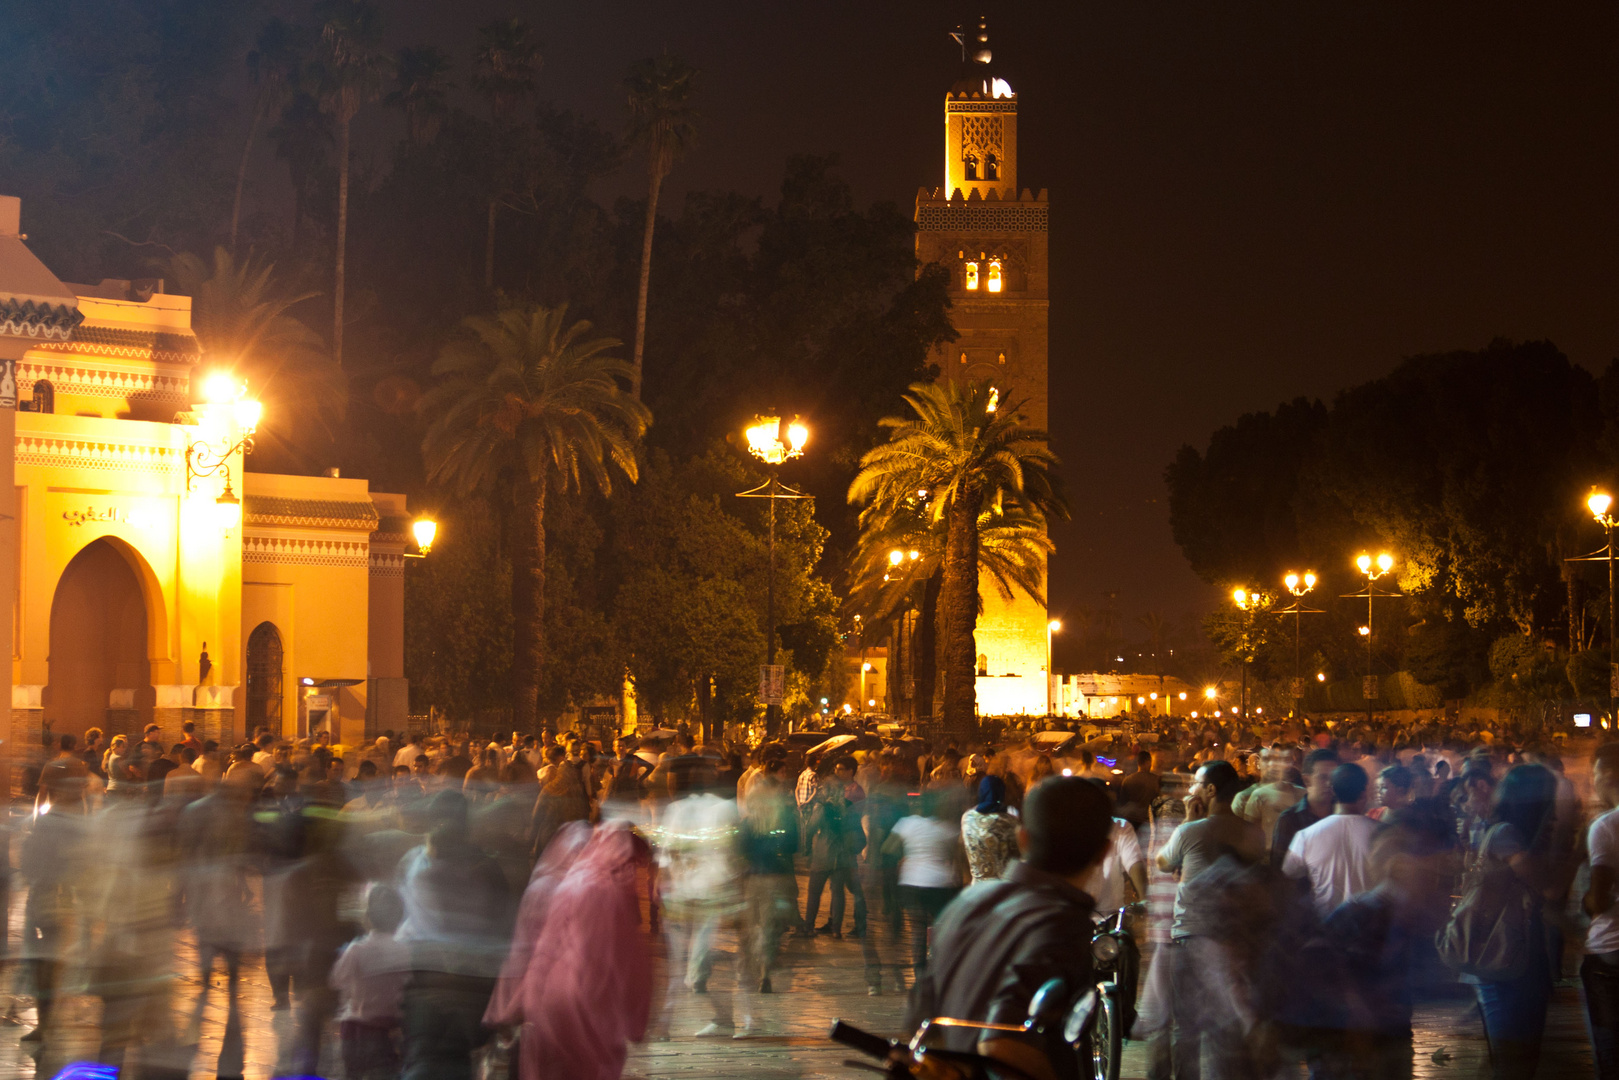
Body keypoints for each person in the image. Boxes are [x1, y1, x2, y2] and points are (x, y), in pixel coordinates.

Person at [906, 777, 1113, 1080]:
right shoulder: (1062, 923)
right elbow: (1003, 1045)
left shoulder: (966, 903)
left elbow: (919, 1015)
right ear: (1104, 851)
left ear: (1023, 839)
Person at [1151, 759, 1267, 1080]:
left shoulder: (1191, 831)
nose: (1191, 789)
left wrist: (1188, 820)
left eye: (1197, 784)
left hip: (1191, 935)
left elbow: (1162, 862)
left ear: (1211, 790)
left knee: (1186, 1026)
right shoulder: (1251, 833)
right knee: (1225, 1027)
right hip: (1237, 940)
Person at [396, 791, 518, 1080]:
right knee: (456, 1058)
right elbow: (502, 920)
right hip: (471, 982)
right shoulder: (487, 866)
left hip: (424, 978)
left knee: (422, 1053)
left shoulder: (413, 863)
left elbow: (401, 914)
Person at [330, 883, 410, 1080]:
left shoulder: (356, 950)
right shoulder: (404, 952)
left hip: (355, 1031)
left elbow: (336, 980)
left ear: (367, 917)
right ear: (398, 919)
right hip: (388, 1033)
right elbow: (408, 985)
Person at [882, 789, 962, 978]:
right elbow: (957, 857)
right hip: (941, 885)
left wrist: (906, 856)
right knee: (939, 927)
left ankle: (919, 974)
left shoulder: (906, 824)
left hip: (912, 883)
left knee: (917, 929)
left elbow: (887, 848)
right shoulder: (948, 829)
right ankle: (937, 969)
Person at [1283, 763, 1379, 917]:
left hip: (1327, 928)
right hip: (1371, 928)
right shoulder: (1383, 834)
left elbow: (1290, 872)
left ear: (1333, 791)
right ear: (1363, 793)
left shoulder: (1306, 836)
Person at [740, 757, 799, 994]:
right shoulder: (785, 820)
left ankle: (753, 966)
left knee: (753, 926)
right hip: (778, 878)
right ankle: (766, 971)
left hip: (753, 879)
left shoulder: (747, 824)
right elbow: (794, 847)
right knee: (771, 926)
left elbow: (741, 851)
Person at [1585, 742, 1619, 1078]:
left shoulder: (1606, 827)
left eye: (1594, 772)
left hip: (1611, 949)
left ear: (1608, 774)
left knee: (1611, 1052)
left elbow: (1599, 899)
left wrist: (1584, 902)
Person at [804, 775, 867, 940]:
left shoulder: (822, 808)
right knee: (838, 893)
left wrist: (806, 851)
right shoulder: (849, 807)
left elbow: (810, 828)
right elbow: (858, 832)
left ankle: (809, 927)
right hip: (842, 856)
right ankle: (836, 930)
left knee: (814, 892)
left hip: (822, 855)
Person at [1081, 786, 1147, 917]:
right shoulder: (1071, 828)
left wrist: (1145, 898)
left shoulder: (1120, 827)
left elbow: (1134, 862)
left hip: (1111, 916)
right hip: (1078, 915)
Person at [1272, 748, 1339, 869]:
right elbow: (1279, 869)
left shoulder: (1342, 816)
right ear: (1307, 780)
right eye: (1323, 777)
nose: (1330, 783)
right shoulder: (1290, 820)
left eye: (1334, 777)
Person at [1233, 747, 1305, 851]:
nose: (1272, 764)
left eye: (1277, 760)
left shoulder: (1300, 794)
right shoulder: (1243, 797)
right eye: (1267, 759)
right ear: (1258, 764)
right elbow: (1238, 837)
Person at [961, 775, 1021, 884]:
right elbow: (1018, 855)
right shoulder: (1010, 821)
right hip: (1002, 889)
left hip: (977, 888)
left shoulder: (967, 818)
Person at [1117, 750, 1160, 829]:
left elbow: (1122, 802)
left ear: (1138, 762)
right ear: (1148, 762)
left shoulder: (1127, 780)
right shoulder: (1156, 780)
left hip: (1131, 819)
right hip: (1148, 820)